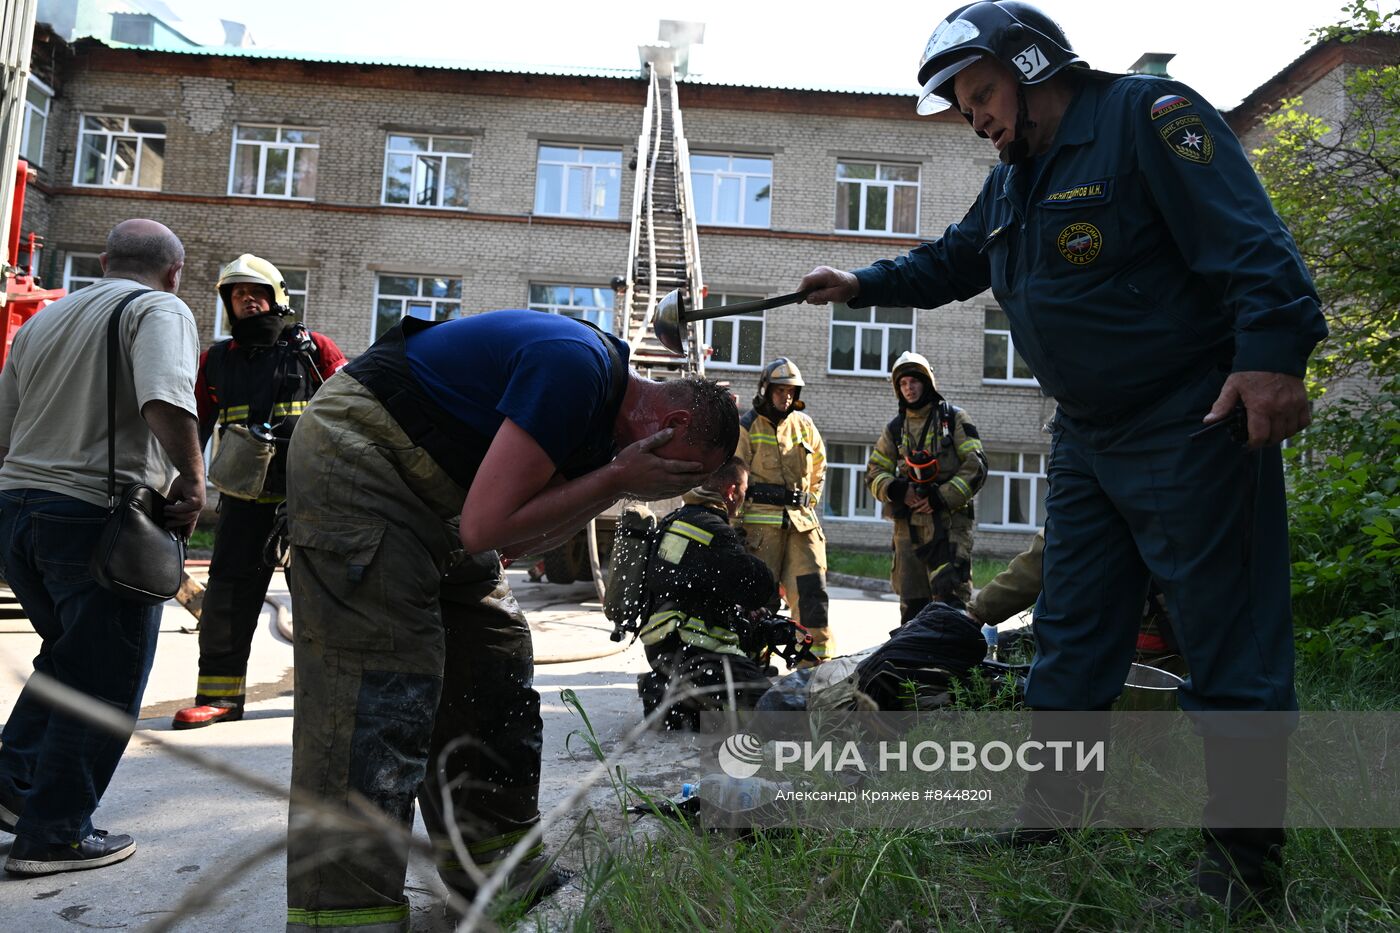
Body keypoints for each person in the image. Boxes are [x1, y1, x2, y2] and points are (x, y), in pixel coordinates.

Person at [797, 0, 1327, 911]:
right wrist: (861, 283)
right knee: (1073, 636)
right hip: (1086, 438)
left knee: (1227, 644)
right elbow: (955, 259)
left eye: (982, 94)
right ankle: (1049, 822)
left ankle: (1244, 873)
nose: (977, 117)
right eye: (964, 108)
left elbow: (1249, 238)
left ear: (1035, 64)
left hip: (1189, 420)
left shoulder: (1148, 118)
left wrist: (1273, 355)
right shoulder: (1014, 180)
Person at [283, 308, 737, 930]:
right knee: (378, 687)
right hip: (362, 456)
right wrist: (617, 476)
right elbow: (485, 528)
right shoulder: (577, 369)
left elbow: (513, 547)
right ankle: (342, 915)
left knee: (491, 658)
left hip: (438, 488)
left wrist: (614, 482)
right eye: (684, 468)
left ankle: (500, 874)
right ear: (673, 421)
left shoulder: (604, 436)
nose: (672, 483)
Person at [0, 220, 204, 875]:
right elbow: (166, 399)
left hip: (17, 511)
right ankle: (53, 833)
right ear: (175, 272)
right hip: (95, 517)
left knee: (69, 659)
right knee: (105, 680)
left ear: (102, 260)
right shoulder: (158, 307)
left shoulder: (45, 321)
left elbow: (4, 425)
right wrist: (194, 485)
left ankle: (14, 787)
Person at [172, 255, 345, 730]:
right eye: (237, 294)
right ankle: (220, 697)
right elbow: (196, 425)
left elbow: (353, 412)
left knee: (321, 602)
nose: (247, 300)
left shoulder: (314, 350)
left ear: (277, 297)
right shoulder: (216, 361)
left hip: (307, 500)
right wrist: (183, 482)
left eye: (257, 292)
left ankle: (328, 696)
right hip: (243, 501)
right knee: (228, 599)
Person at [636, 457, 778, 727]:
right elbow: (756, 588)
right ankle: (676, 691)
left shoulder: (676, 520)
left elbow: (696, 586)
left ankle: (665, 689)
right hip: (697, 650)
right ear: (732, 491)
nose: (743, 501)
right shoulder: (712, 530)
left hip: (663, 648)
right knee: (774, 707)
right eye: (744, 492)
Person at [867, 351, 986, 619]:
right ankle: (913, 661)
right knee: (912, 612)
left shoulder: (954, 419)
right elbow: (873, 473)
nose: (909, 388)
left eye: (914, 381)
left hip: (949, 529)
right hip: (908, 532)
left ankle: (950, 661)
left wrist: (940, 497)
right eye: (903, 383)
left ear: (927, 383)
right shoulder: (895, 428)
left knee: (950, 608)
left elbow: (976, 466)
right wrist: (898, 490)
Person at [735, 358, 832, 662]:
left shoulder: (804, 425)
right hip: (758, 533)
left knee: (812, 597)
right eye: (779, 390)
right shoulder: (746, 426)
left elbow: (819, 466)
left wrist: (810, 499)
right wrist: (733, 526)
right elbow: (735, 477)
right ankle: (753, 667)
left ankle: (814, 669)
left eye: (790, 391)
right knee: (757, 603)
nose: (785, 397)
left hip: (802, 528)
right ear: (765, 390)